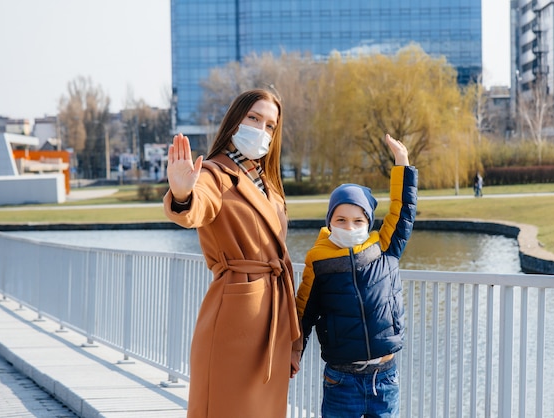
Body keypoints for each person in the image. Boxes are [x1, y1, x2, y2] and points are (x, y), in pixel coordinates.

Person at [163, 89, 301, 418]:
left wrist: (293, 341)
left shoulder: (269, 183)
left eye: (270, 125)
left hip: (272, 316)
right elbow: (196, 207)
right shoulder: (213, 173)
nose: (261, 129)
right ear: (235, 120)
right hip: (236, 317)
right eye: (254, 118)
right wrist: (183, 194)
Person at [295, 134, 418, 418]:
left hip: (385, 379)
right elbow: (304, 311)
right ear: (329, 222)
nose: (349, 226)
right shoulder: (319, 258)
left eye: (358, 220)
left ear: (368, 222)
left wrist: (402, 164)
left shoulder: (384, 247)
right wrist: (294, 350)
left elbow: (403, 210)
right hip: (341, 380)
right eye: (341, 220)